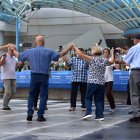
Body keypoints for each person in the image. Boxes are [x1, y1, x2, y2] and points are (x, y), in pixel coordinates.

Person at [18, 35, 73, 122]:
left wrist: (12, 49)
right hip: (44, 76)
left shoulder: (30, 51)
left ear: (36, 42)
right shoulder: (49, 51)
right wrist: (70, 47)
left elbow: (20, 56)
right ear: (44, 42)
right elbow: (60, 54)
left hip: (34, 75)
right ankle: (40, 115)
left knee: (31, 94)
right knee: (43, 95)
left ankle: (29, 112)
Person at [73, 44, 114, 121]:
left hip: (92, 82)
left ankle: (88, 112)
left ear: (93, 52)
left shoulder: (92, 59)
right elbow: (111, 61)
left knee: (88, 97)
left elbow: (80, 54)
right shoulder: (104, 60)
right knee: (99, 100)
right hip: (101, 83)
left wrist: (75, 47)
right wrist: (112, 53)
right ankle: (99, 116)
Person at [115, 34, 140, 122]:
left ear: (137, 40)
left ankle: (137, 115)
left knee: (135, 93)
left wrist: (116, 61)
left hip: (136, 72)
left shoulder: (134, 48)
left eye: (134, 40)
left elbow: (126, 61)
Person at [0, 44, 18, 110]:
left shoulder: (14, 58)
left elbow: (17, 65)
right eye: (14, 49)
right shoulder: (4, 55)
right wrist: (3, 58)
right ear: (10, 49)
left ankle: (6, 104)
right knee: (7, 92)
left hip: (13, 77)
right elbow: (0, 64)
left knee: (13, 92)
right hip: (6, 76)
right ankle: (4, 105)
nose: (15, 50)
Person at [103, 48, 116, 112]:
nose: (105, 53)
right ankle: (100, 107)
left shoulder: (110, 59)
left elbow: (112, 62)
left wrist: (112, 53)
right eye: (104, 52)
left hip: (109, 79)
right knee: (100, 94)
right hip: (102, 79)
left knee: (108, 93)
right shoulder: (101, 60)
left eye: (106, 52)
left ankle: (112, 106)